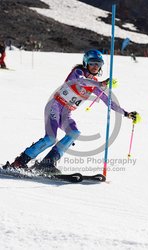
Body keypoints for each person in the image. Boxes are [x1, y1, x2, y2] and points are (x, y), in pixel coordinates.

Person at [3, 49, 140, 174]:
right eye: (92, 63)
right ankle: (20, 162)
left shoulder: (96, 84)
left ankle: (47, 163)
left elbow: (108, 101)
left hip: (66, 112)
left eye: (98, 64)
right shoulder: (77, 73)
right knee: (50, 138)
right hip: (55, 106)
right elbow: (80, 82)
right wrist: (100, 84)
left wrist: (126, 113)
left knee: (74, 133)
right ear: (86, 63)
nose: (95, 67)